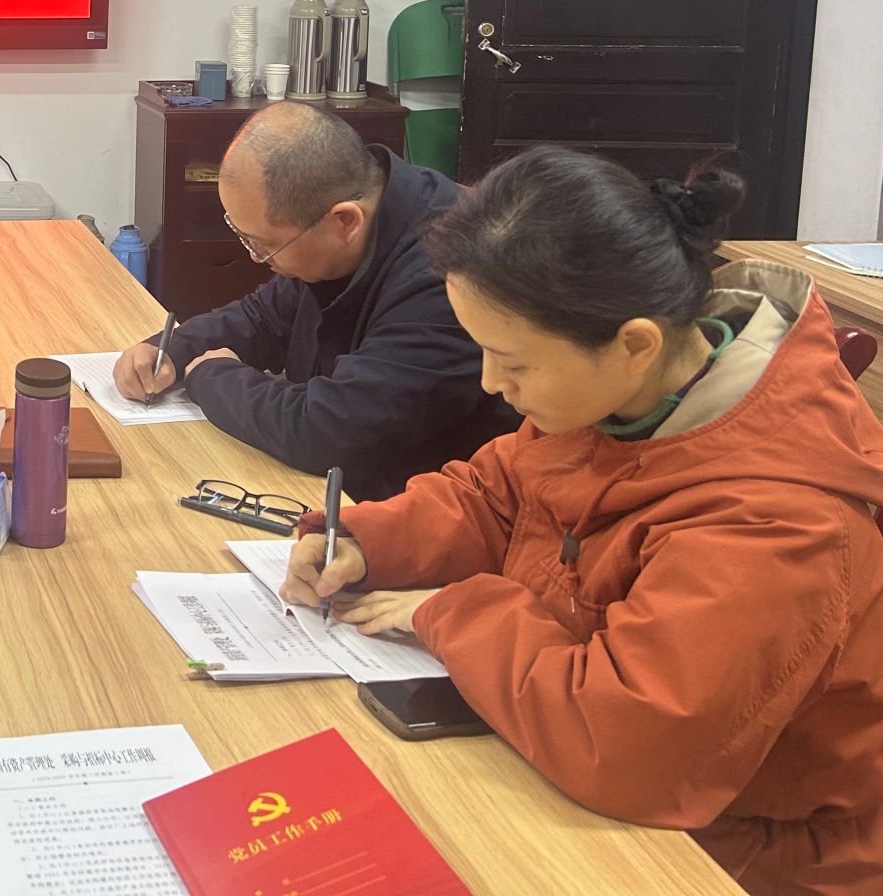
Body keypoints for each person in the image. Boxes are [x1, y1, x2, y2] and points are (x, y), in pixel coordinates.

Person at [284, 148, 883, 896]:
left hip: (743, 856)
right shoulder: (617, 398)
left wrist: (451, 611)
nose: (491, 383)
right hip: (586, 782)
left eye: (514, 362)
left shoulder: (779, 522)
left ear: (634, 345)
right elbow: (496, 492)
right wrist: (368, 541)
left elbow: (627, 744)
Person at [114, 101, 514, 500]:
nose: (256, 259)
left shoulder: (451, 273)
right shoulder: (350, 221)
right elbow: (263, 319)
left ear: (345, 221)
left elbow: (332, 431)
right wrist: (172, 349)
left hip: (419, 508)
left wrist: (211, 376)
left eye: (264, 246)